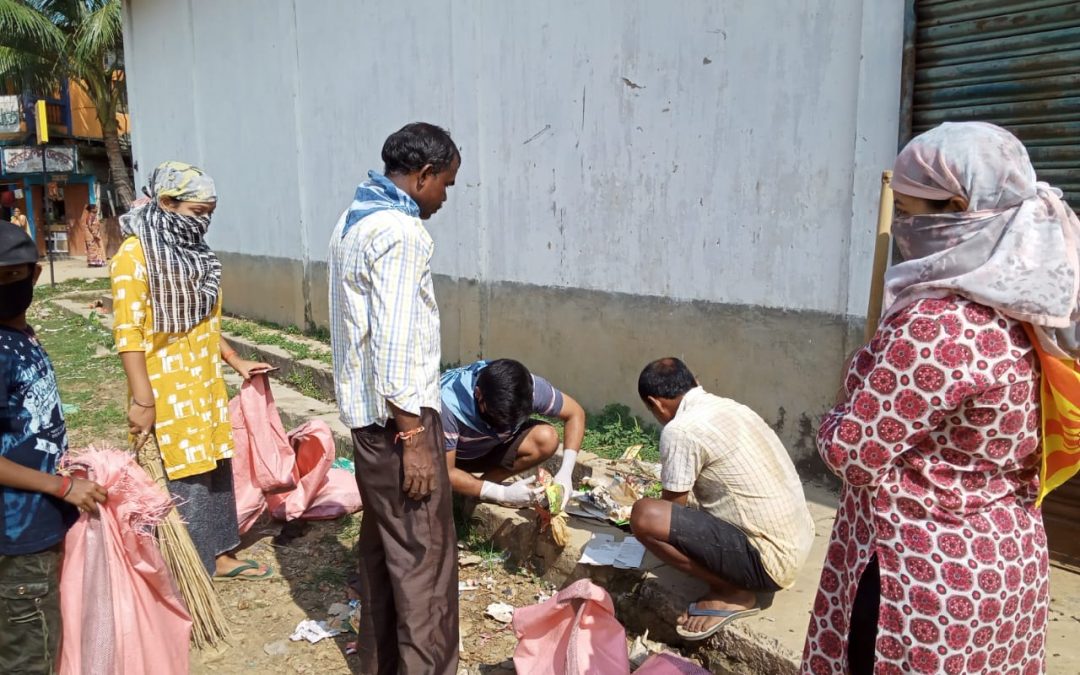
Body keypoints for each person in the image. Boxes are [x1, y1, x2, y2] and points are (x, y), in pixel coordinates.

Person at [801, 122, 1077, 675]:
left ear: (956, 209)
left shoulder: (938, 324)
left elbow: (852, 454)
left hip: (923, 579)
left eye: (907, 211)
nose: (901, 227)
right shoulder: (1040, 307)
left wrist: (856, 379)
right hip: (1006, 565)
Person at [329, 122, 461, 674]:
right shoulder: (402, 234)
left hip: (367, 424)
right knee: (423, 564)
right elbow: (396, 342)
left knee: (384, 554)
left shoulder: (352, 220)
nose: (445, 197)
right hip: (396, 421)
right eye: (446, 184)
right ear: (423, 175)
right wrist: (414, 437)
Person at [111, 161, 273, 581]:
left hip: (203, 379)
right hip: (164, 383)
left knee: (216, 466)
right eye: (197, 212)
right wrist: (143, 398)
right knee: (186, 477)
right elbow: (128, 332)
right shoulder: (135, 254)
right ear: (166, 202)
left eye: (210, 213)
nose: (204, 222)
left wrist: (234, 360)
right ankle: (192, 566)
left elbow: (203, 318)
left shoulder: (195, 253)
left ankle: (221, 553)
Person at [629, 358, 815, 641]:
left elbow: (671, 509)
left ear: (656, 404)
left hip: (768, 562)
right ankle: (735, 579)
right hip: (798, 542)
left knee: (645, 516)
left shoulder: (680, 429)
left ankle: (733, 592)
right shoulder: (732, 407)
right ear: (696, 381)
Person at [0, 221, 107, 674]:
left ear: (34, 275)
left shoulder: (22, 336)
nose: (4, 288)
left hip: (39, 525)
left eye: (11, 276)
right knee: (31, 656)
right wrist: (60, 487)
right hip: (15, 536)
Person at [440, 358, 586, 507]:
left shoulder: (525, 388)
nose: (505, 427)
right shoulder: (447, 405)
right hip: (450, 457)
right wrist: (502, 494)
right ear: (478, 394)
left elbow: (575, 413)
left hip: (488, 448)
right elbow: (445, 471)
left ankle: (482, 487)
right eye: (498, 418)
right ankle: (481, 490)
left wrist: (566, 471)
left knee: (546, 438)